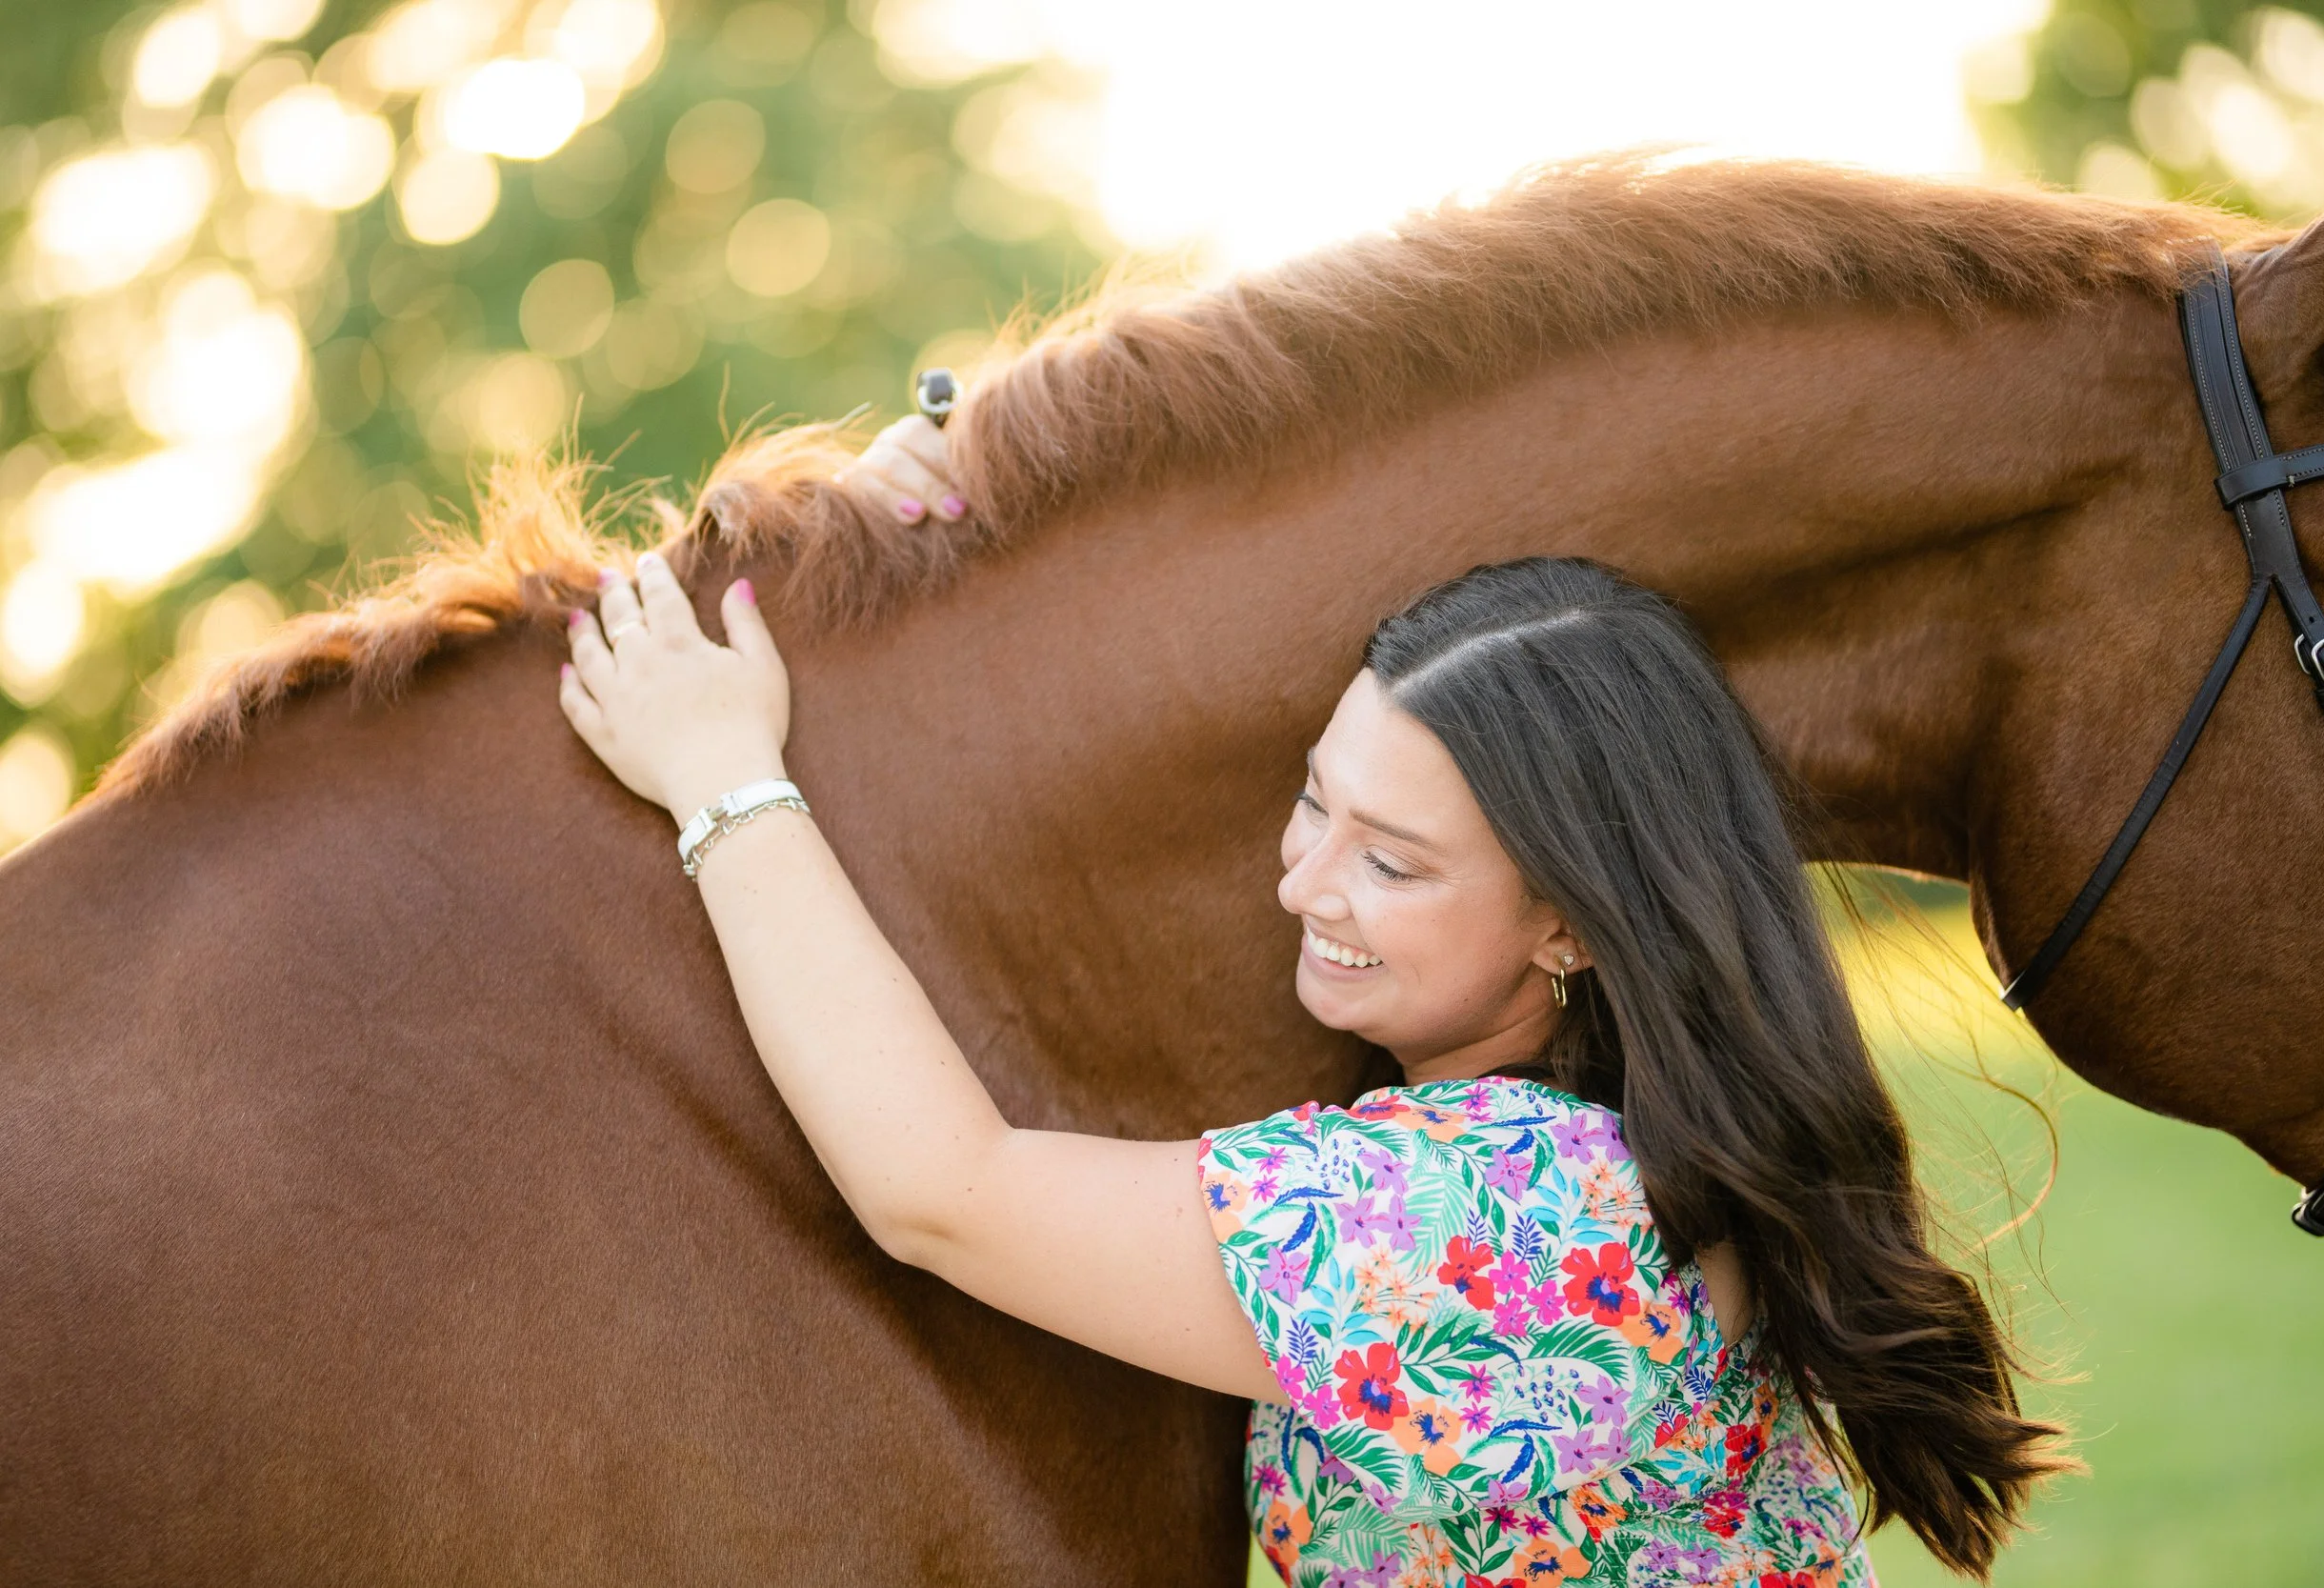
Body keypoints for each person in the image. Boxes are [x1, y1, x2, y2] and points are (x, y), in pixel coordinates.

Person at [555, 414, 2067, 1587]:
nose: (1304, 883)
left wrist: (723, 776)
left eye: (1391, 862)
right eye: (1313, 799)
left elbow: (942, 1190)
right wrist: (927, 553)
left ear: (1570, 924)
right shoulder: (1634, 1136)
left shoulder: (1509, 1219)